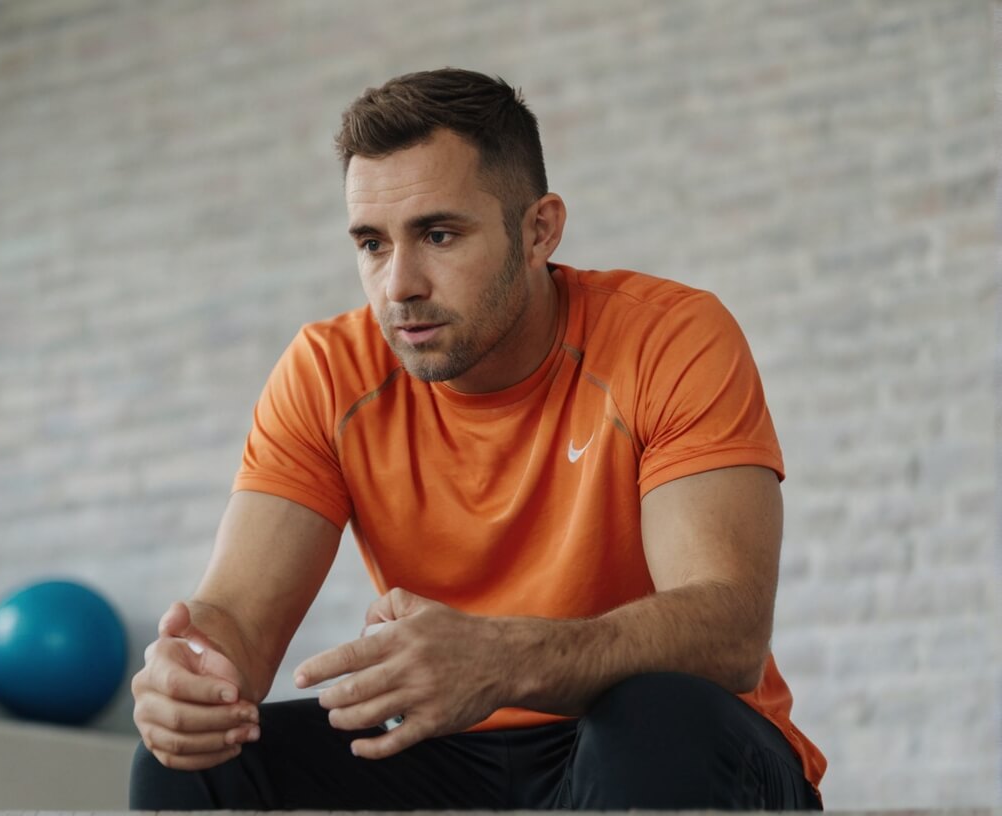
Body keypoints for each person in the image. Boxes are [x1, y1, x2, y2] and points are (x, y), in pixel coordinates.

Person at [128, 68, 825, 810]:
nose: (399, 284)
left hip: (664, 750)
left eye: (438, 234)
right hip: (449, 752)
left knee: (655, 715)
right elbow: (235, 619)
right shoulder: (328, 373)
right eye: (371, 244)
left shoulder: (667, 336)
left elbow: (728, 628)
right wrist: (193, 680)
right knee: (193, 760)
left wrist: (504, 658)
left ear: (539, 230)